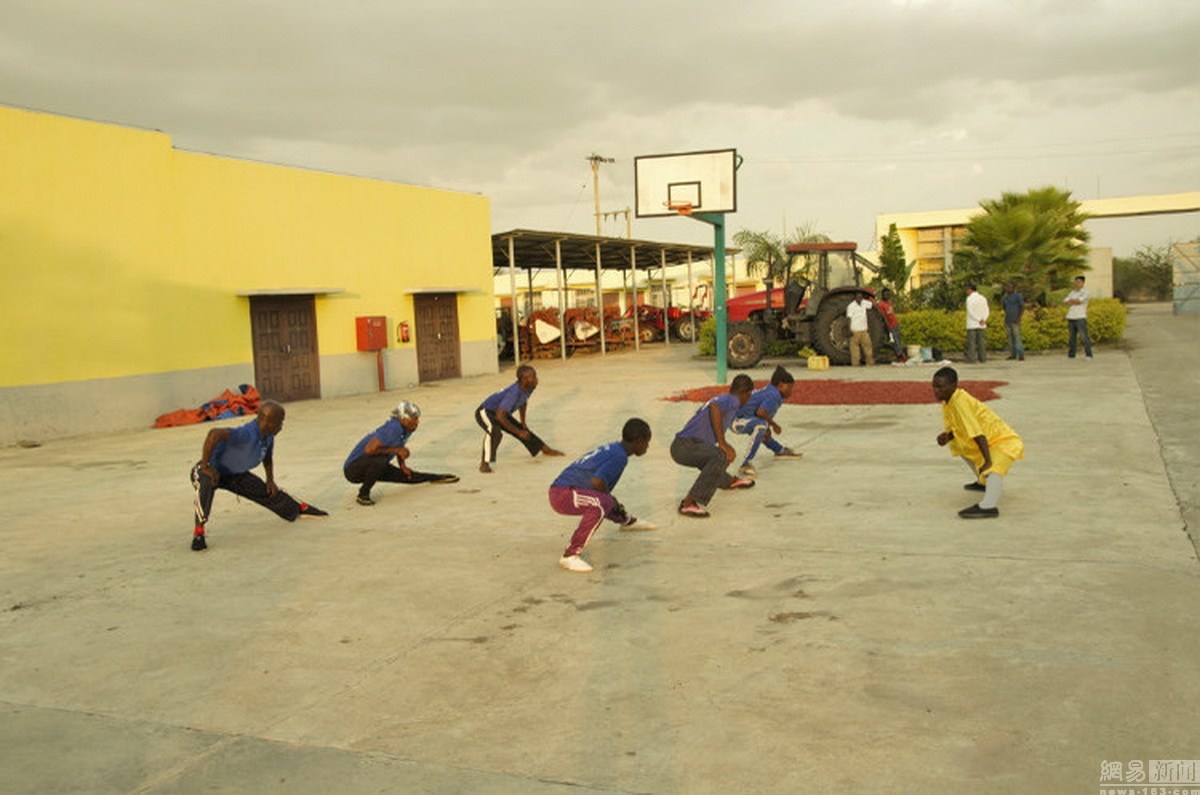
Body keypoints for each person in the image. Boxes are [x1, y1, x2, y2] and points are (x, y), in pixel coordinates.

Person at [189, 400, 327, 551]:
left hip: (235, 474)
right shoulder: (246, 434)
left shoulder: (268, 436)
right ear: (268, 421)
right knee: (206, 485)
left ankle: (297, 508)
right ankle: (199, 532)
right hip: (212, 471)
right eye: (280, 422)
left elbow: (267, 457)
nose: (281, 426)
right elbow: (214, 434)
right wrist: (205, 465)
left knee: (267, 491)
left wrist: (270, 480)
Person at [549, 418, 656, 573]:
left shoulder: (616, 448)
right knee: (601, 503)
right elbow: (597, 482)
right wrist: (609, 498)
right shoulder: (619, 457)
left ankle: (627, 522)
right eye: (647, 441)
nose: (647, 446)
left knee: (604, 500)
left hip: (567, 490)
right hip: (562, 493)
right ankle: (570, 555)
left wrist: (610, 500)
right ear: (639, 441)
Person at [932, 366, 1024, 519]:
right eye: (934, 386)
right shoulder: (948, 401)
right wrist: (947, 437)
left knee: (993, 468)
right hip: (989, 439)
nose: (936, 391)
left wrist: (988, 461)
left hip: (1002, 440)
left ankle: (989, 506)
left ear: (954, 386)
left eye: (940, 387)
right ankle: (983, 483)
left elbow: (978, 434)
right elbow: (959, 428)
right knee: (960, 447)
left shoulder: (960, 402)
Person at [671, 373, 756, 518]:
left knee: (714, 458)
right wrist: (722, 443)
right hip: (685, 445)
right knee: (720, 455)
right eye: (749, 395)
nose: (749, 399)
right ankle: (688, 503)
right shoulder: (733, 400)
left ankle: (728, 481)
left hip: (683, 446)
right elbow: (715, 408)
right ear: (745, 393)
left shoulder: (728, 400)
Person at [343, 401, 459, 506]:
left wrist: (402, 465)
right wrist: (397, 451)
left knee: (409, 476)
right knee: (381, 460)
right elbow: (369, 450)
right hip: (353, 469)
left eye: (417, 418)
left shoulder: (408, 428)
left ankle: (437, 477)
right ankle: (363, 494)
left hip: (375, 465)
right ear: (403, 418)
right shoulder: (393, 427)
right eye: (414, 419)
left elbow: (399, 446)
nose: (417, 422)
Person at [475, 364, 563, 472]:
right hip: (485, 412)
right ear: (524, 379)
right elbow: (500, 416)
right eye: (533, 377)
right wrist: (518, 432)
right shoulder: (514, 392)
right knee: (494, 431)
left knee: (522, 429)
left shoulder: (530, 387)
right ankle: (484, 463)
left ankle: (544, 449)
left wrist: (523, 423)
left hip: (500, 413)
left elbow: (523, 402)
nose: (536, 379)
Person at [731, 365, 804, 478]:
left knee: (762, 429)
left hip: (745, 418)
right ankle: (745, 464)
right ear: (780, 385)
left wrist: (768, 426)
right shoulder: (774, 395)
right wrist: (774, 425)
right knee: (761, 427)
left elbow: (759, 414)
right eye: (789, 387)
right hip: (736, 420)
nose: (791, 391)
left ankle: (779, 450)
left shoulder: (771, 390)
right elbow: (761, 412)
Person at [1064, 275, 1094, 360]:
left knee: (1084, 337)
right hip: (1071, 316)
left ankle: (1088, 355)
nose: (1077, 284)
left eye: (1079, 282)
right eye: (1076, 282)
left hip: (1080, 317)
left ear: (1083, 283)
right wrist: (1074, 301)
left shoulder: (1086, 292)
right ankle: (1071, 354)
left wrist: (1073, 301)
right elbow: (1066, 300)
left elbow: (1080, 301)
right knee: (1071, 337)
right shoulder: (1072, 292)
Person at [846, 292, 874, 366]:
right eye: (858, 297)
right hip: (855, 330)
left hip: (864, 330)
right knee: (854, 349)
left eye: (861, 297)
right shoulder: (851, 306)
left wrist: (871, 297)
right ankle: (855, 364)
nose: (859, 299)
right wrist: (849, 329)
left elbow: (872, 305)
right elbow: (849, 318)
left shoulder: (864, 303)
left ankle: (870, 363)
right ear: (855, 297)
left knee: (868, 346)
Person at [876, 288, 905, 361]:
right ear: (882, 295)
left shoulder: (889, 302)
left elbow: (892, 313)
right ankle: (900, 355)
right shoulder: (880, 304)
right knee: (895, 341)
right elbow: (884, 316)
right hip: (890, 325)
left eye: (888, 294)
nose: (887, 296)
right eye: (885, 294)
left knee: (898, 339)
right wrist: (888, 326)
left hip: (895, 324)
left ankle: (899, 354)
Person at [964, 284, 989, 363]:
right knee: (981, 342)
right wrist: (984, 319)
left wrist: (978, 319)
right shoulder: (983, 298)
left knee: (972, 342)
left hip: (972, 323)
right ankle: (982, 358)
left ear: (970, 290)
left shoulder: (969, 299)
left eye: (967, 290)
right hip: (982, 323)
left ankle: (972, 358)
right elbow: (987, 309)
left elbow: (970, 311)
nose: (966, 291)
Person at [1001, 283, 1025, 361]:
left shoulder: (1018, 296)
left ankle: (1021, 355)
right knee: (1010, 338)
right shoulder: (1006, 297)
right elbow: (1004, 307)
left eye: (1009, 287)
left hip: (1015, 320)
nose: (1007, 289)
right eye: (1007, 287)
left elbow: (1022, 307)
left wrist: (1018, 318)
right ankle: (1013, 354)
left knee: (1017, 337)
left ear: (1013, 288)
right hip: (1008, 319)